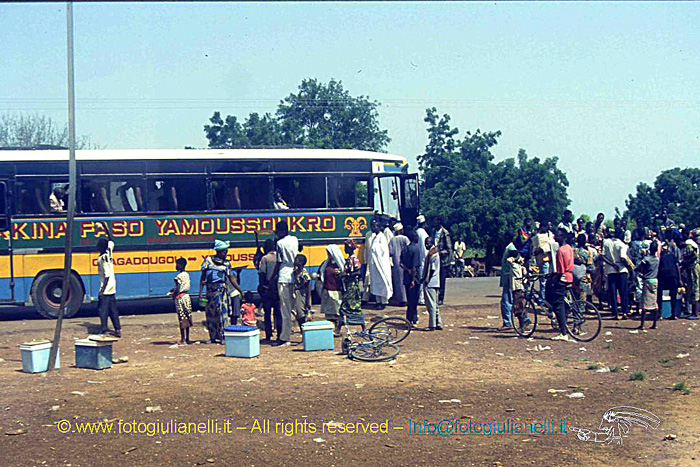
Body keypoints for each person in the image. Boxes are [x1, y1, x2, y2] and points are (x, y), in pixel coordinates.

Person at [199, 239, 243, 344]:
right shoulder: (208, 261)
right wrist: (200, 293)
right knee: (211, 315)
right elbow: (203, 278)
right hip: (210, 290)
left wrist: (240, 291)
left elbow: (232, 278)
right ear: (218, 251)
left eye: (226, 251)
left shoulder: (227, 264)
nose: (225, 254)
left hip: (221, 291)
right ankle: (213, 336)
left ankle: (223, 336)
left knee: (222, 315)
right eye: (224, 251)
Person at [271, 221, 299, 346]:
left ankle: (285, 337)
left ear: (281, 231)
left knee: (285, 309)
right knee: (295, 307)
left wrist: (272, 277)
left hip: (283, 276)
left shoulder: (279, 243)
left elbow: (279, 262)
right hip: (294, 275)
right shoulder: (294, 239)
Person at [95, 221, 121, 337]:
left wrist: (101, 291)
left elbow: (106, 275)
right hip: (112, 286)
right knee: (113, 310)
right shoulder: (109, 252)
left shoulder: (102, 258)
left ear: (100, 247)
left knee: (102, 310)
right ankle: (117, 329)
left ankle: (104, 329)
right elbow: (111, 239)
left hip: (106, 287)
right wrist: (105, 227)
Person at [550, 229, 575, 342]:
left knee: (557, 304)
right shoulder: (569, 248)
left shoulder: (560, 250)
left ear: (562, 237)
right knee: (562, 301)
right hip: (570, 276)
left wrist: (554, 278)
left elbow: (560, 269)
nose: (555, 237)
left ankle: (563, 332)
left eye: (557, 235)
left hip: (563, 277)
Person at [257, 239, 281, 342]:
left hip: (267, 288)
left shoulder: (265, 258)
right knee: (278, 312)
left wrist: (261, 287)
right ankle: (280, 334)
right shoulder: (279, 257)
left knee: (267, 313)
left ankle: (268, 335)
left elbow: (262, 273)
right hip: (278, 288)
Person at [339, 239, 365, 331]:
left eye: (346, 247)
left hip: (352, 286)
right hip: (349, 285)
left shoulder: (353, 259)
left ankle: (362, 326)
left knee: (347, 306)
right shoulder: (350, 259)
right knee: (347, 306)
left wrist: (346, 275)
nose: (344, 249)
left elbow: (358, 272)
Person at [317, 245, 344, 329]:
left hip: (336, 290)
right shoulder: (326, 263)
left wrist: (339, 273)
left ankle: (337, 328)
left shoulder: (339, 264)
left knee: (336, 311)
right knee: (328, 311)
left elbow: (344, 275)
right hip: (326, 289)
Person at [369, 218, 393, 309]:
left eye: (374, 226)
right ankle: (378, 301)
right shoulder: (374, 237)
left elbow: (382, 253)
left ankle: (383, 302)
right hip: (374, 266)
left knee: (383, 282)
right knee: (376, 283)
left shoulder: (382, 238)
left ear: (378, 227)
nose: (372, 227)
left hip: (381, 265)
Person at [168, 258, 192, 345]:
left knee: (181, 318)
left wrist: (173, 294)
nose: (175, 266)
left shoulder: (179, 277)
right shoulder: (187, 274)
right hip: (186, 297)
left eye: (177, 264)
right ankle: (188, 338)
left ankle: (182, 339)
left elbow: (177, 288)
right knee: (187, 317)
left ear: (180, 265)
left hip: (180, 298)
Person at [401, 229, 422, 325]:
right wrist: (413, 279)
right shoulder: (416, 249)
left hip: (406, 277)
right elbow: (414, 267)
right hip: (414, 278)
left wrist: (407, 270)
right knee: (414, 300)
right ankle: (409, 319)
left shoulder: (405, 249)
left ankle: (414, 317)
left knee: (410, 299)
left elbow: (401, 263)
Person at [507, 249, 531, 333]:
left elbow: (508, 260)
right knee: (521, 306)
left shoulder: (513, 265)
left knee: (518, 308)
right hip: (520, 287)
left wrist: (516, 258)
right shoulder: (520, 266)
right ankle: (525, 322)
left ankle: (522, 326)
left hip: (517, 288)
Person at [636, 242, 660, 329]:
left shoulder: (646, 259)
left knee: (644, 304)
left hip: (647, 281)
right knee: (654, 303)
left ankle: (642, 325)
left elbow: (638, 268)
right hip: (654, 281)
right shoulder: (657, 259)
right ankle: (654, 324)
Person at [657, 241, 682, 320]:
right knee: (673, 295)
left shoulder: (660, 258)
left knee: (659, 295)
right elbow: (677, 267)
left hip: (663, 278)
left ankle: (660, 313)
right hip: (673, 277)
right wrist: (679, 279)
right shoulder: (672, 256)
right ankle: (673, 314)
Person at [422, 236, 443, 330]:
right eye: (425, 243)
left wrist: (426, 279)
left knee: (431, 305)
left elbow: (432, 269)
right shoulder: (435, 252)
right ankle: (439, 323)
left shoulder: (432, 254)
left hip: (431, 282)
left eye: (428, 243)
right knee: (435, 304)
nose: (426, 245)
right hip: (435, 281)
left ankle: (432, 325)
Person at [498, 232, 517, 332]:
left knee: (506, 301)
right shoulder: (509, 247)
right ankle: (525, 319)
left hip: (509, 278)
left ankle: (507, 322)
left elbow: (516, 256)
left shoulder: (511, 248)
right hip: (508, 278)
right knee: (514, 299)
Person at [431, 216, 452, 305]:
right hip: (434, 260)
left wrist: (440, 252)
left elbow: (449, 249)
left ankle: (441, 298)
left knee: (442, 280)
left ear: (439, 222)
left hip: (443, 261)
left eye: (435, 222)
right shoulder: (433, 232)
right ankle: (434, 297)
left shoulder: (445, 233)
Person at [388, 223, 409, 306]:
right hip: (405, 263)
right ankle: (406, 299)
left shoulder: (392, 240)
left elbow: (390, 252)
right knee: (405, 281)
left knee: (398, 282)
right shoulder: (405, 239)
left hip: (396, 263)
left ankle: (400, 299)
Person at [680, 231, 699, 319]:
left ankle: (694, 313)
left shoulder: (689, 244)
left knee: (693, 289)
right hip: (693, 268)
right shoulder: (692, 243)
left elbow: (693, 256)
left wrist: (683, 264)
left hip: (692, 268)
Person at [292, 254, 312, 328]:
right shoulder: (296, 271)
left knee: (301, 314)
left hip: (301, 294)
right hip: (296, 293)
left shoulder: (304, 274)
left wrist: (307, 301)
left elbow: (308, 287)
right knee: (297, 313)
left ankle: (303, 330)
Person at [416, 215, 429, 305]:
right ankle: (421, 298)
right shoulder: (423, 233)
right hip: (423, 259)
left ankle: (420, 297)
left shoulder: (416, 232)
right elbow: (425, 248)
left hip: (418, 259)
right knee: (423, 279)